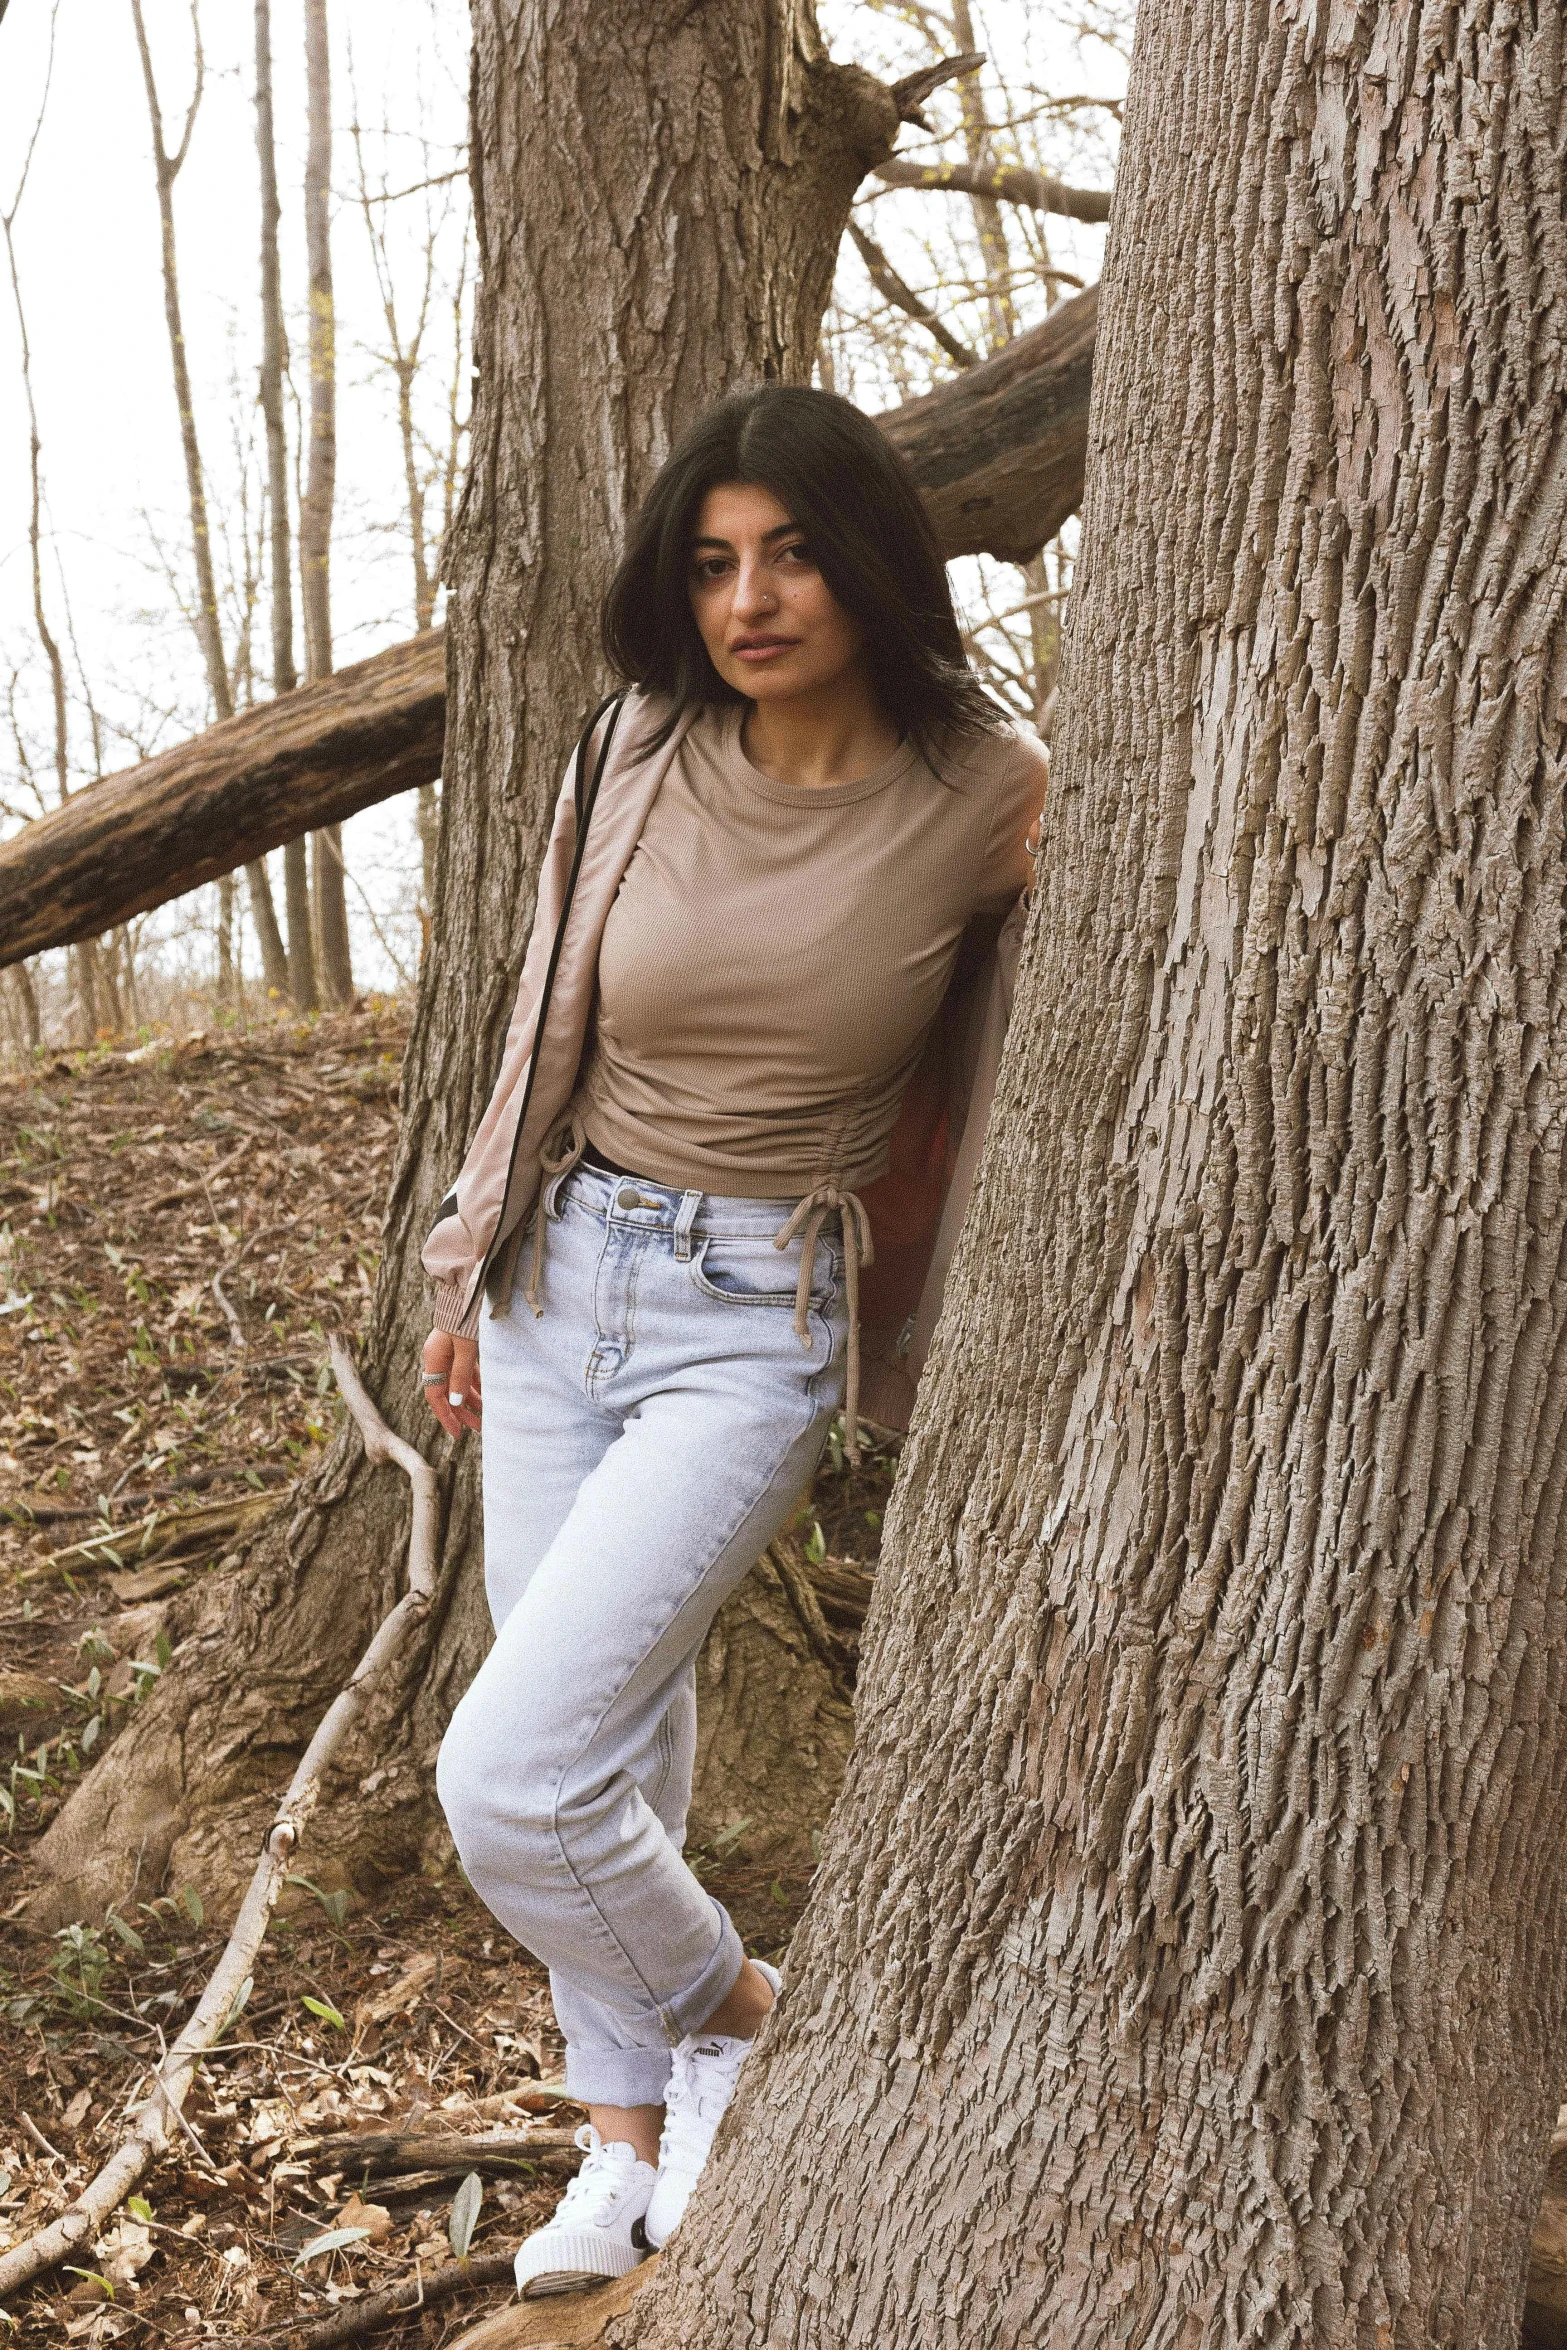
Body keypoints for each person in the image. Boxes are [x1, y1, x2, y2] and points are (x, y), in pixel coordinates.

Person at [420, 384, 1046, 2298]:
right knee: (606, 1747)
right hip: (555, 1287)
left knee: (511, 1776)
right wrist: (464, 1260)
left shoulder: (988, 789)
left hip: (752, 1318)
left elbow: (1004, 1073)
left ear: (868, 561)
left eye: (787, 554)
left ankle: (744, 2012)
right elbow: (540, 1022)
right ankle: (622, 2141)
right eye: (711, 563)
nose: (748, 599)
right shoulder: (636, 742)